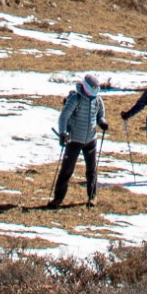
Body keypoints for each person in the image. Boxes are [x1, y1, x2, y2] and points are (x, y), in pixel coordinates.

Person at [48, 72, 107, 208]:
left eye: (97, 89)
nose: (96, 91)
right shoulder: (75, 99)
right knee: (67, 171)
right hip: (74, 140)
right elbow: (64, 116)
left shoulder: (98, 101)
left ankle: (92, 197)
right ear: (86, 87)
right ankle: (58, 199)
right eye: (94, 88)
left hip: (91, 140)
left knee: (91, 170)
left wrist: (102, 122)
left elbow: (100, 116)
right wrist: (63, 133)